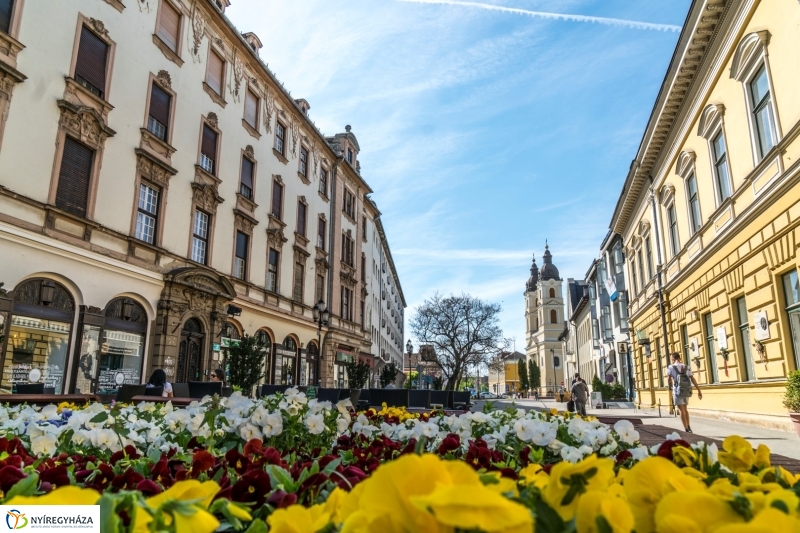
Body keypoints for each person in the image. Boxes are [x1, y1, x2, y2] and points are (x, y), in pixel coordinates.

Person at [667, 352, 702, 433]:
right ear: (679, 358)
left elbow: (669, 379)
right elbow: (692, 379)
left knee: (681, 410)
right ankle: (688, 425)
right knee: (685, 409)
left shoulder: (671, 367)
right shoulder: (687, 366)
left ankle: (686, 428)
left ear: (673, 359)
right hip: (686, 389)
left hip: (677, 390)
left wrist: (670, 382)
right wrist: (699, 390)